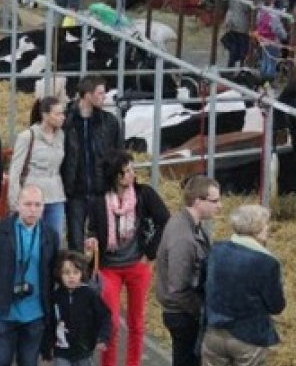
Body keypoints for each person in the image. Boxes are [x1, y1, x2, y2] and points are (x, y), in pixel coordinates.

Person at [84, 150, 170, 366]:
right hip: (108, 267)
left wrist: (150, 251)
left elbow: (164, 220)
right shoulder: (98, 201)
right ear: (115, 175)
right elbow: (93, 228)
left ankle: (133, 363)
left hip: (137, 265)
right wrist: (92, 240)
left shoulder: (144, 194)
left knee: (137, 321)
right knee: (111, 322)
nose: (132, 174)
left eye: (132, 169)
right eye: (127, 171)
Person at [0, 184, 58, 366]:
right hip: (3, 312)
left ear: (43, 207)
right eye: (28, 204)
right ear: (17, 205)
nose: (33, 210)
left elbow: (54, 273)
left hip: (35, 315)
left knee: (28, 362)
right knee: (0, 361)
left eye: (38, 205)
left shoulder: (50, 235)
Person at [201, 204, 285, 366]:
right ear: (257, 228)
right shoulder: (267, 263)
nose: (268, 228)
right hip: (248, 338)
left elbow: (203, 283)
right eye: (265, 224)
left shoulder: (216, 250)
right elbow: (276, 306)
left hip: (214, 333)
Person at [155, 175, 221, 366]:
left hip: (182, 311)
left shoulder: (190, 225)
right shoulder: (183, 236)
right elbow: (178, 287)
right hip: (182, 314)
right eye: (214, 200)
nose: (219, 205)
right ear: (198, 201)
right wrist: (202, 311)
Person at [61, 75, 121, 251]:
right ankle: (77, 276)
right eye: (100, 93)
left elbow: (118, 156)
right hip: (75, 191)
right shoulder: (66, 121)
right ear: (87, 95)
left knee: (103, 238)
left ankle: (99, 277)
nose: (105, 97)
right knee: (76, 241)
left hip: (101, 189)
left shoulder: (110, 122)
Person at [9, 96, 66, 243]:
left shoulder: (61, 136)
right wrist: (15, 201)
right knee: (30, 239)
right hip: (32, 193)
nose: (62, 117)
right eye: (58, 114)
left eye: (62, 113)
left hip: (56, 194)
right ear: (45, 115)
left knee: (55, 239)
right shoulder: (27, 136)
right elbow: (15, 170)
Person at [44, 251, 111, 366]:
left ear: (82, 273)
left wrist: (103, 337)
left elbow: (104, 316)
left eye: (76, 272)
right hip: (61, 350)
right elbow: (49, 323)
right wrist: (46, 349)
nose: (71, 276)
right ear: (59, 274)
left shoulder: (89, 294)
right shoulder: (56, 296)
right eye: (66, 273)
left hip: (84, 349)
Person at [223, 0, 261, 69]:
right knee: (243, 50)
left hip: (231, 19)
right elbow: (253, 8)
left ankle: (229, 69)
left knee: (233, 48)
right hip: (243, 22)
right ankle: (238, 72)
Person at [255, 0, 288, 81]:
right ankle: (268, 82)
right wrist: (285, 36)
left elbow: (257, 23)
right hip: (272, 41)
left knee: (265, 60)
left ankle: (261, 79)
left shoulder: (260, 12)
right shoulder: (273, 15)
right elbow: (278, 30)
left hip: (262, 39)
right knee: (271, 62)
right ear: (271, 2)